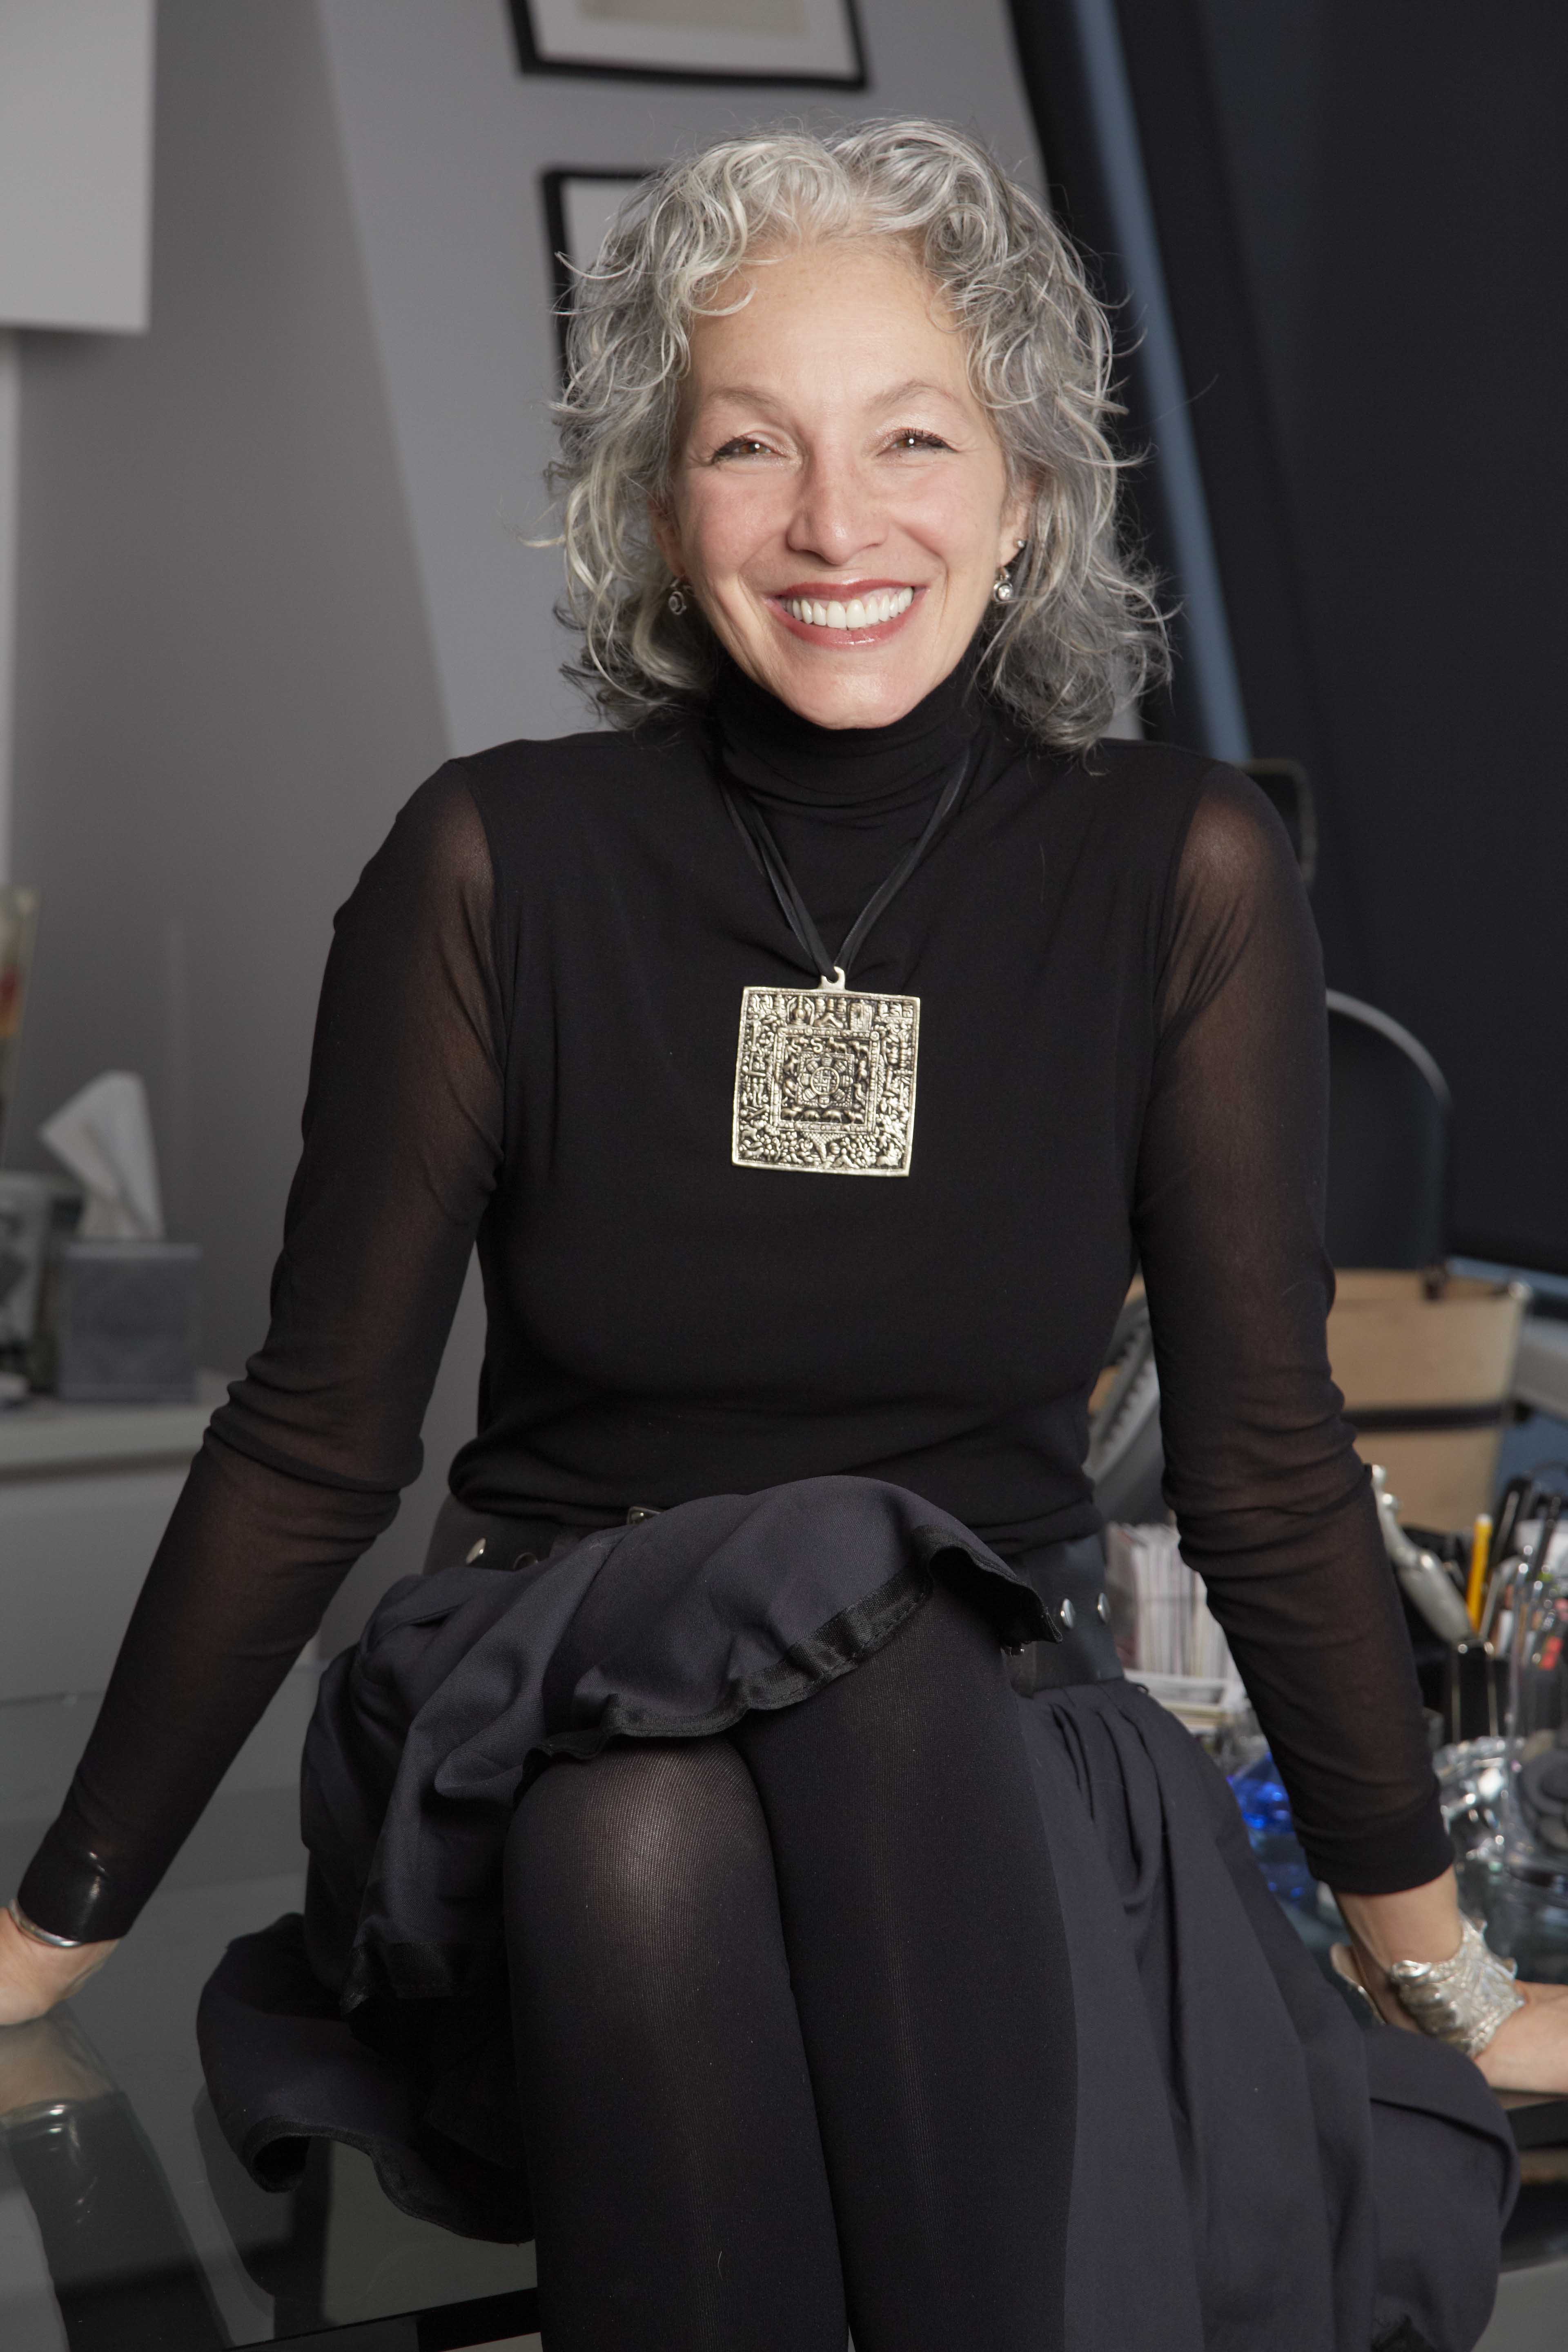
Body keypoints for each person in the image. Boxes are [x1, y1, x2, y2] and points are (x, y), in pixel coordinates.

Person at [0, 119, 1557, 2352]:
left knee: (700, 1788)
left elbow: (1265, 1461)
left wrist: (1438, 1969)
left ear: (1026, 496)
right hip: (533, 1701)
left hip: (973, 1765)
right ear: (661, 506)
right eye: (752, 446)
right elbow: (316, 1438)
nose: (838, 523)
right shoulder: (491, 866)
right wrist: (54, 1921)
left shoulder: (1177, 871)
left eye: (913, 439)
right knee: (671, 1762)